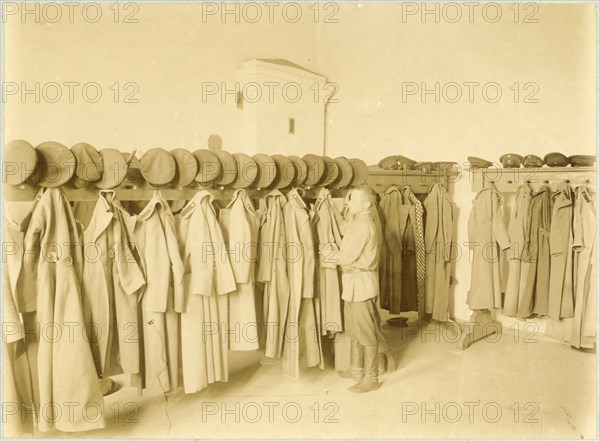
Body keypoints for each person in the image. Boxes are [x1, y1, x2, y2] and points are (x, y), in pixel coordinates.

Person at [328, 186, 384, 393]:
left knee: (366, 332)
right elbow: (345, 228)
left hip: (361, 283)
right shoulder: (358, 221)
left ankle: (371, 379)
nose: (348, 203)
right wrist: (331, 209)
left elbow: (347, 256)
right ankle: (356, 371)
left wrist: (327, 255)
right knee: (354, 330)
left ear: (367, 204)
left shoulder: (364, 224)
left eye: (352, 199)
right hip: (354, 283)